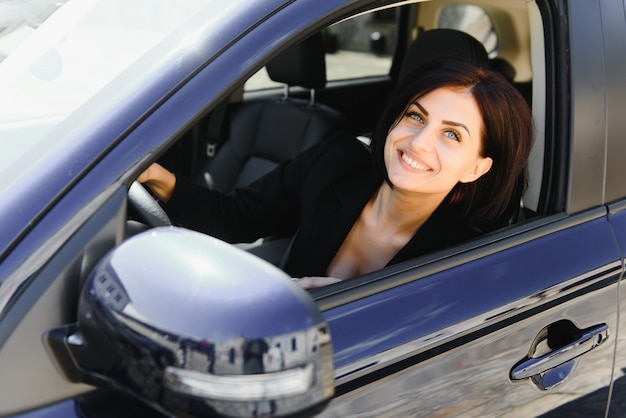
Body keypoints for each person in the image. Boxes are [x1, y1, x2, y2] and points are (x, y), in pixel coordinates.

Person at [138, 59, 534, 287]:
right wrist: (153, 177)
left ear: (476, 167)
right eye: (415, 116)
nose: (418, 142)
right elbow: (233, 216)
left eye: (451, 134)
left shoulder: (469, 256)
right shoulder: (335, 164)